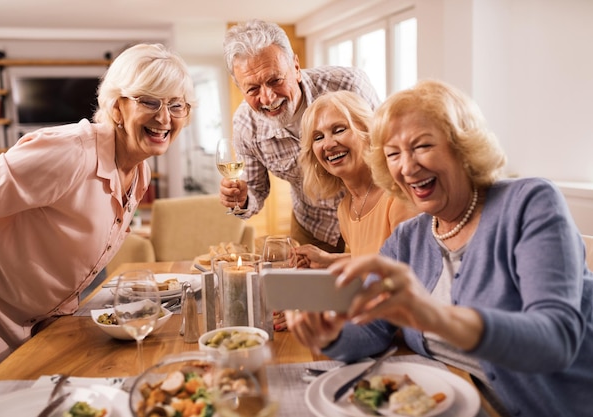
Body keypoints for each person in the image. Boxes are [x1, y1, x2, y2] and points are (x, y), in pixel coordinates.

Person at [286, 79, 593, 417]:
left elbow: (555, 339)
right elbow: (373, 327)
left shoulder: (528, 204)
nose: (407, 166)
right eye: (393, 154)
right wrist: (331, 334)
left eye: (421, 146)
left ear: (462, 146)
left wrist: (433, 315)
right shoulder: (407, 239)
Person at [0, 43, 195, 388]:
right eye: (149, 101)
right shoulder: (71, 152)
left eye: (176, 105)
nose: (165, 118)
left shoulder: (140, 173)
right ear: (118, 108)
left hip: (26, 338)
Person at [220, 19, 380, 253]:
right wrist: (242, 200)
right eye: (252, 89)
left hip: (373, 212)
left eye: (275, 80)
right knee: (309, 288)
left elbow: (387, 147)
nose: (268, 98)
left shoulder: (348, 85)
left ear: (295, 67)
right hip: (313, 224)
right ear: (240, 88)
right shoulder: (246, 125)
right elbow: (255, 191)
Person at [295, 90, 417, 268]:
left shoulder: (398, 194)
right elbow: (370, 257)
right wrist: (328, 260)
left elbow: (406, 269)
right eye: (318, 137)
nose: (328, 144)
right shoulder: (346, 208)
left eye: (339, 130)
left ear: (368, 133)